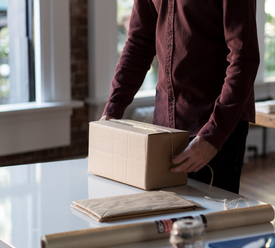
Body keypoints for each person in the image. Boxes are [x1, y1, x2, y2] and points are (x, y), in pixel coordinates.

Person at [100, 0, 260, 194]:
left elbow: (243, 59)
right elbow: (138, 45)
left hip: (215, 127)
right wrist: (111, 112)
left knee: (212, 220)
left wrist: (213, 135)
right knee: (166, 218)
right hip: (164, 128)